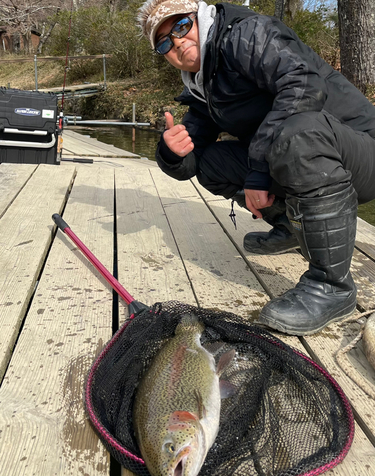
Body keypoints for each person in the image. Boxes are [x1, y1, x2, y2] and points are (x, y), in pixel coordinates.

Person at [137, 0, 375, 335]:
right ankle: (291, 227)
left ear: (199, 18)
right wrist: (172, 152)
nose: (175, 42)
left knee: (300, 132)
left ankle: (333, 286)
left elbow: (304, 85)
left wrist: (259, 170)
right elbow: (193, 158)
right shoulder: (202, 83)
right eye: (164, 42)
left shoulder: (245, 34)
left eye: (179, 27)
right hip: (298, 155)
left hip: (360, 154)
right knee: (213, 164)